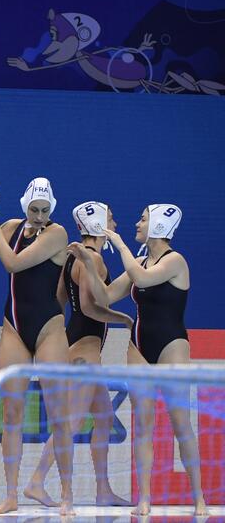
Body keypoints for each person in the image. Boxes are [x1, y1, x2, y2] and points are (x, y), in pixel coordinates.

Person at [71, 204, 207, 516]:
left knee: (181, 423)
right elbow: (105, 297)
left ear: (159, 225)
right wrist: (88, 265)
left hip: (172, 346)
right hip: (139, 347)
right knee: (143, 425)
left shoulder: (176, 261)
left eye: (144, 219)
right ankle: (144, 497)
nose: (137, 223)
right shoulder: (141, 261)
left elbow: (143, 280)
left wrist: (117, 244)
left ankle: (198, 496)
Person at [0, 178, 74, 515]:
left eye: (44, 210)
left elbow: (12, 262)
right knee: (11, 413)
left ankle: (67, 494)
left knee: (59, 414)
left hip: (48, 329)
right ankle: (11, 495)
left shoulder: (58, 234)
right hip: (14, 328)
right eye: (34, 210)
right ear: (25, 206)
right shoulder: (9, 227)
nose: (39, 216)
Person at [25, 201, 131, 507]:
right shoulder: (93, 259)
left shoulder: (73, 258)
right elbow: (87, 307)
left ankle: (102, 490)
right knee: (70, 423)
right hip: (85, 352)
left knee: (103, 417)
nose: (114, 221)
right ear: (98, 223)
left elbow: (60, 300)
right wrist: (121, 319)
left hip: (76, 345)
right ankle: (36, 481)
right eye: (110, 217)